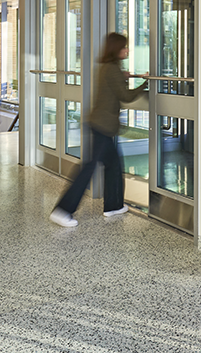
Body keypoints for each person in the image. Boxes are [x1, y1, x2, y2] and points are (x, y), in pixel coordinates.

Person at [50, 33, 147, 227]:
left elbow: (115, 89)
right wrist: (145, 85)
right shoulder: (112, 70)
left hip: (102, 125)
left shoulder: (109, 68)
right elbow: (125, 96)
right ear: (116, 49)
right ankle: (63, 210)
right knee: (88, 168)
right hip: (102, 126)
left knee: (113, 166)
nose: (127, 50)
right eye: (124, 47)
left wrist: (125, 77)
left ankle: (114, 205)